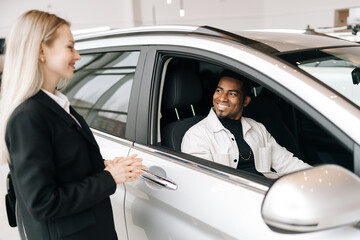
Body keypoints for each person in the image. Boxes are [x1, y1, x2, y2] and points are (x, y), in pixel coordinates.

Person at [0, 10, 145, 240]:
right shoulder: (28, 117)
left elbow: (63, 165)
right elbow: (42, 203)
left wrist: (103, 166)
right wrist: (109, 178)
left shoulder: (56, 104)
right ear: (41, 51)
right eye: (70, 47)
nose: (77, 55)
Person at [181, 70, 310, 178]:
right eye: (219, 91)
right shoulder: (196, 136)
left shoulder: (257, 128)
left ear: (246, 101)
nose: (222, 98)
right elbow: (204, 185)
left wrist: (317, 178)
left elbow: (286, 163)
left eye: (232, 94)